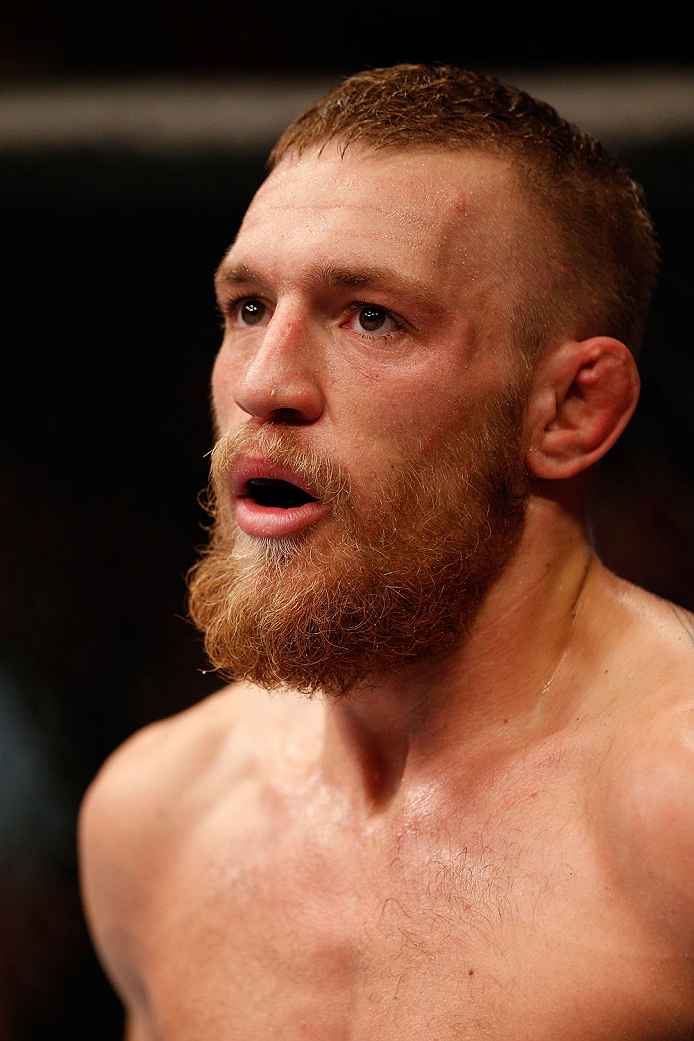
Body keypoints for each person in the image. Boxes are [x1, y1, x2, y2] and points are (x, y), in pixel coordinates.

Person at [79, 64, 694, 1039]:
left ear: (571, 409)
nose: (265, 386)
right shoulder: (156, 815)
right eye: (247, 309)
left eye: (372, 316)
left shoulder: (675, 810)